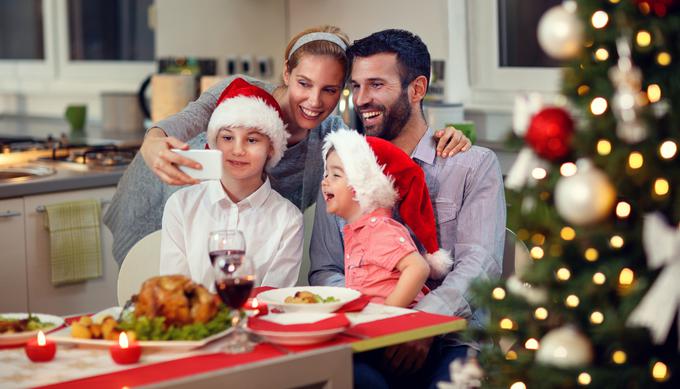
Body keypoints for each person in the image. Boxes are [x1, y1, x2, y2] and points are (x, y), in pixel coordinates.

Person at [104, 25, 471, 266]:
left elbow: (378, 160)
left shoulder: (328, 134)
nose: (314, 100)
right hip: (171, 198)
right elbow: (186, 119)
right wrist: (152, 142)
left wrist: (441, 137)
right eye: (304, 83)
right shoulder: (241, 92)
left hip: (238, 233)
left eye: (330, 89)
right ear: (286, 73)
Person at [309, 29, 506, 389]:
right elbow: (325, 269)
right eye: (356, 86)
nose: (362, 99)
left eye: (377, 85)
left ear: (416, 89)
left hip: (453, 339)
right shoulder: (340, 169)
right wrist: (378, 318)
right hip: (366, 338)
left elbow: (481, 266)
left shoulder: (472, 165)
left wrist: (420, 324)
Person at [160, 78, 303, 289]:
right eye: (227, 138)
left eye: (252, 140)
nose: (238, 150)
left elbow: (273, 299)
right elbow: (176, 292)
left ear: (271, 148)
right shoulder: (181, 206)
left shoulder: (288, 220)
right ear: (213, 142)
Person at [321, 129, 454, 307]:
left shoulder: (379, 230)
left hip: (401, 331)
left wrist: (388, 313)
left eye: (336, 175)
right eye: (326, 174)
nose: (325, 181)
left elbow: (418, 268)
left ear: (365, 185)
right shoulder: (360, 231)